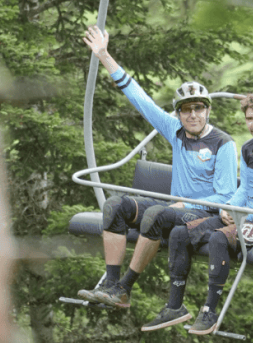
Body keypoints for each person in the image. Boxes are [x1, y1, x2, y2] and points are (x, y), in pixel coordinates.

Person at [79, 24, 237, 306]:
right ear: (178, 113)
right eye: (186, 110)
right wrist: (104, 55)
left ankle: (125, 288)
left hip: (198, 214)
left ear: (208, 110)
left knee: (154, 214)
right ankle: (111, 284)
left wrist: (184, 203)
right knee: (115, 206)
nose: (193, 115)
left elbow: (224, 197)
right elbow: (140, 98)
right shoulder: (174, 130)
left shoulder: (223, 144)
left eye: (199, 108)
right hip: (173, 208)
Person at [142, 90, 253, 335]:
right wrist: (228, 207)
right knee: (180, 233)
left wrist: (252, 216)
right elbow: (246, 190)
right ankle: (174, 306)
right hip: (246, 216)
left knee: (220, 238)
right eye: (250, 119)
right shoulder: (249, 149)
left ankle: (210, 311)